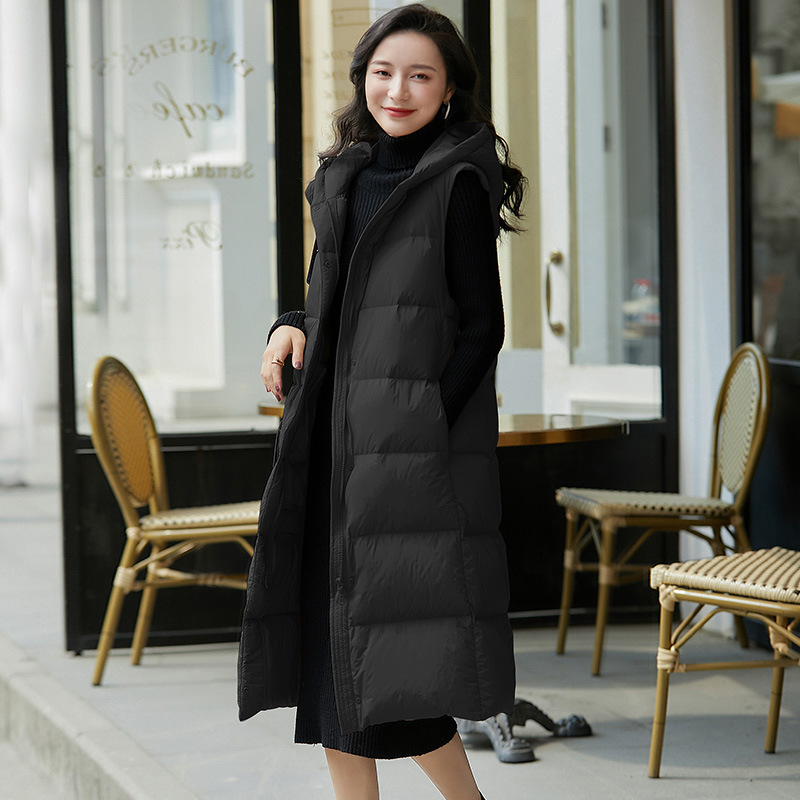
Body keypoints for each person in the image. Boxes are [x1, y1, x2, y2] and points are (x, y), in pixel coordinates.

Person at [238, 5, 526, 798]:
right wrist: (286, 326)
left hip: (401, 462)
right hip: (326, 452)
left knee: (394, 673)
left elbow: (483, 329)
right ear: (362, 77)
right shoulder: (343, 175)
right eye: (383, 72)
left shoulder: (456, 183)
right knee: (333, 667)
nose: (398, 90)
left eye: (420, 76)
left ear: (449, 89)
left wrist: (422, 429)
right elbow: (324, 301)